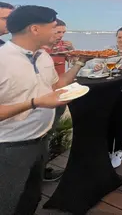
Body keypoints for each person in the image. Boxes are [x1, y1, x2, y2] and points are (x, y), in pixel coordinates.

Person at [0, 6, 91, 215]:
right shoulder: (3, 59)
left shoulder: (42, 56)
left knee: (31, 198)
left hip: (41, 141)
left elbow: (56, 86)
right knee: (6, 203)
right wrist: (35, 102)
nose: (56, 33)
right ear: (34, 29)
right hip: (9, 147)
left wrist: (79, 63)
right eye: (52, 28)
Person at [90, 27, 122, 168]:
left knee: (119, 121)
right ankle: (107, 150)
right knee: (108, 120)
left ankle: (118, 151)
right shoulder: (109, 50)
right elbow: (98, 63)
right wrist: (97, 66)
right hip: (108, 89)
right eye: (119, 37)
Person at [41, 19, 75, 182]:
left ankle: (42, 170)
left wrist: (74, 55)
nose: (61, 36)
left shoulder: (65, 46)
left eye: (63, 32)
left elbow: (74, 63)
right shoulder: (38, 49)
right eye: (57, 32)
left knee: (50, 132)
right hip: (42, 96)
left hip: (60, 93)